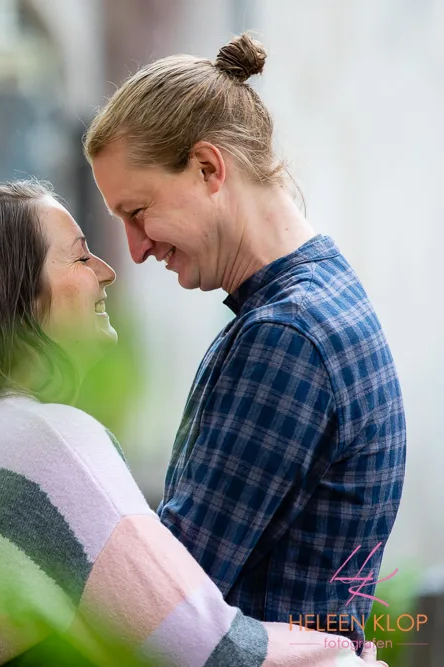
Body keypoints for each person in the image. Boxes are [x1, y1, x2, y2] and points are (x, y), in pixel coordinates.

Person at [0, 180, 385, 666]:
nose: (107, 269)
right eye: (79, 255)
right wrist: (343, 656)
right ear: (15, 296)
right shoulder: (47, 441)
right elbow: (204, 647)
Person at [83, 32, 406, 648]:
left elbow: (170, 598)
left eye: (138, 211)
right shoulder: (322, 296)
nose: (136, 248)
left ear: (208, 168)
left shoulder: (286, 336)